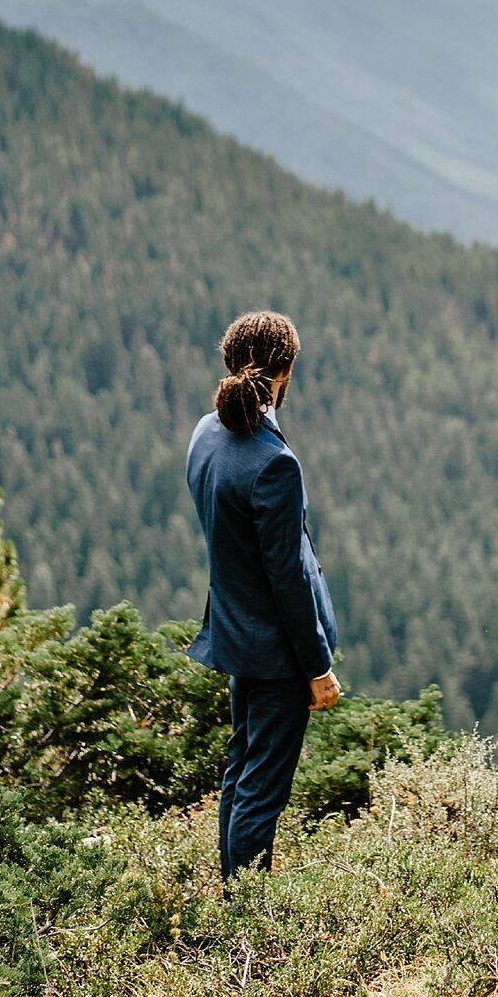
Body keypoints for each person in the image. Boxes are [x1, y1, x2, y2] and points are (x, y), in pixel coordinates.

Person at [185, 310, 342, 882]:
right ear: (287, 371)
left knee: (240, 774)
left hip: (234, 633)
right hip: (276, 652)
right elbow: (289, 575)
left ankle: (232, 907)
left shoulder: (206, 434)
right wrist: (316, 666)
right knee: (261, 793)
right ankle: (247, 924)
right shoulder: (274, 461)